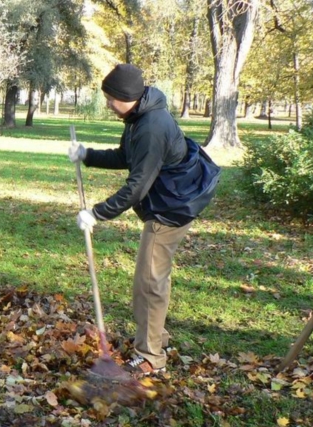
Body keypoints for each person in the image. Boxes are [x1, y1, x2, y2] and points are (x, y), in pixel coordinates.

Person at [69, 64, 219, 376]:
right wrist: (88, 154)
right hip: (168, 198)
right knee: (150, 280)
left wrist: (96, 213)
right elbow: (126, 157)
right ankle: (153, 339)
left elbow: (137, 187)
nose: (108, 104)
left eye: (111, 98)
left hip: (172, 208)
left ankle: (151, 356)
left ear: (128, 96)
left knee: (149, 282)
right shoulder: (137, 116)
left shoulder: (152, 127)